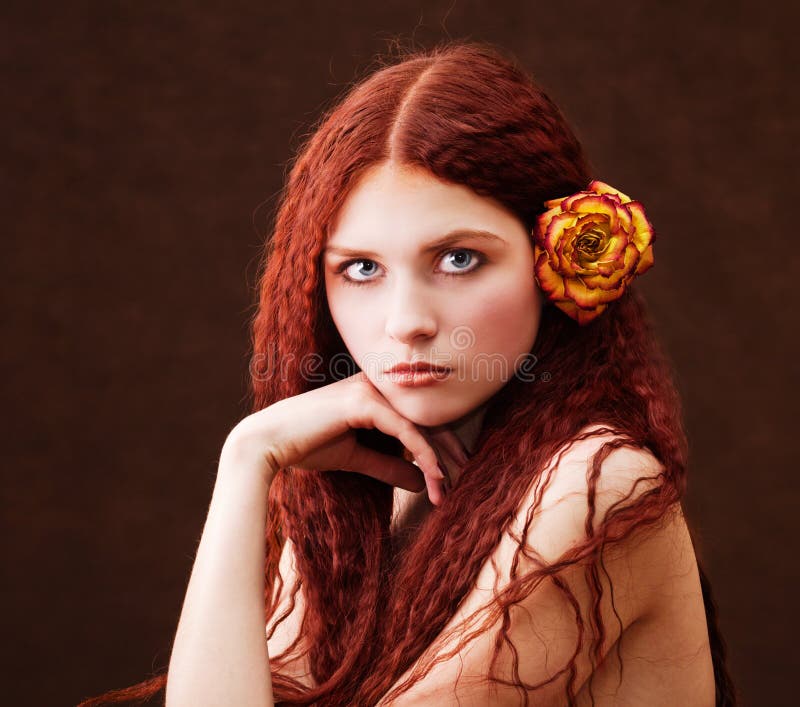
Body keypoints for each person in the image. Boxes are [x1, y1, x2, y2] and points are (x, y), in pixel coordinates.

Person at [79, 40, 737, 706]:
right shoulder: (381, 477)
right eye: (361, 268)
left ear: (551, 264)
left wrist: (251, 456)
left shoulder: (597, 484)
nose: (405, 322)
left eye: (457, 259)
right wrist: (248, 457)